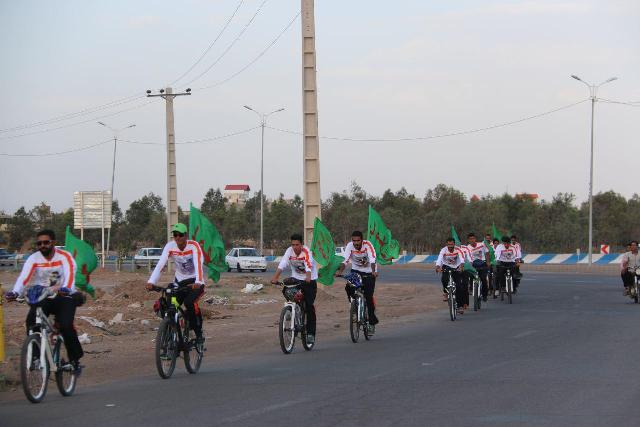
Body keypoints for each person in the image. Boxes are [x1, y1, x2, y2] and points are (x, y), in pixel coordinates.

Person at [4, 230, 83, 375]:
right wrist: (15, 292)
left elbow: (70, 274)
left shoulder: (65, 256)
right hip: (43, 296)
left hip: (64, 295)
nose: (42, 245)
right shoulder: (34, 258)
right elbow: (24, 277)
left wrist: (66, 288)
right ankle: (35, 357)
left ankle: (74, 360)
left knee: (66, 325)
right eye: (39, 243)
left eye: (46, 242)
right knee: (31, 322)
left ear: (53, 242)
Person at [146, 223, 206, 343]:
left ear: (186, 236)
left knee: (189, 303)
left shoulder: (193, 246)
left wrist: (199, 281)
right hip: (180, 282)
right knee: (169, 305)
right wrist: (151, 281)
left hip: (195, 281)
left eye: (180, 235)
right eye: (175, 235)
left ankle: (198, 332)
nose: (177, 238)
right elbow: (161, 264)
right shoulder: (170, 246)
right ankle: (171, 332)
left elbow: (198, 263)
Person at [271, 233, 318, 344]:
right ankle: (292, 313)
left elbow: (308, 265)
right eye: (293, 244)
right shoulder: (289, 251)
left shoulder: (306, 252)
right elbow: (283, 263)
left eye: (297, 244)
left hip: (309, 280)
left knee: (309, 306)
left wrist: (308, 277)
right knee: (287, 291)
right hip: (296, 280)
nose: (295, 247)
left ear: (301, 244)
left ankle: (310, 333)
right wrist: (275, 277)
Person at [336, 230, 379, 334]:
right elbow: (345, 260)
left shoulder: (368, 245)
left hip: (369, 273)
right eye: (354, 240)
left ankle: (371, 323)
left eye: (358, 240)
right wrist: (340, 271)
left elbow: (373, 259)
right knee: (348, 287)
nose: (356, 243)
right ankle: (354, 306)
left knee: (369, 297)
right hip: (356, 271)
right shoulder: (350, 246)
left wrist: (373, 271)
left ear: (362, 240)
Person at [435, 237, 465, 314]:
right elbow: (439, 259)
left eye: (452, 244)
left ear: (454, 244)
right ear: (446, 244)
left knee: (459, 287)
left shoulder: (458, 249)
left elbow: (462, 259)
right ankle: (445, 292)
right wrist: (438, 267)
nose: (450, 246)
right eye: (449, 244)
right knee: (444, 279)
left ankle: (460, 306)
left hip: (456, 267)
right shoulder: (443, 250)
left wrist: (461, 267)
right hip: (446, 266)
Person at [466, 233, 491, 302]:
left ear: (475, 239)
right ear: (468, 240)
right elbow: (467, 258)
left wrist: (488, 262)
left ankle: (485, 295)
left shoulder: (481, 244)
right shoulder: (467, 248)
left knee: (483, 279)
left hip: (482, 263)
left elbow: (487, 253)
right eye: (470, 239)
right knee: (470, 275)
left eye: (473, 238)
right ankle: (471, 288)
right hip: (473, 264)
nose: (472, 240)